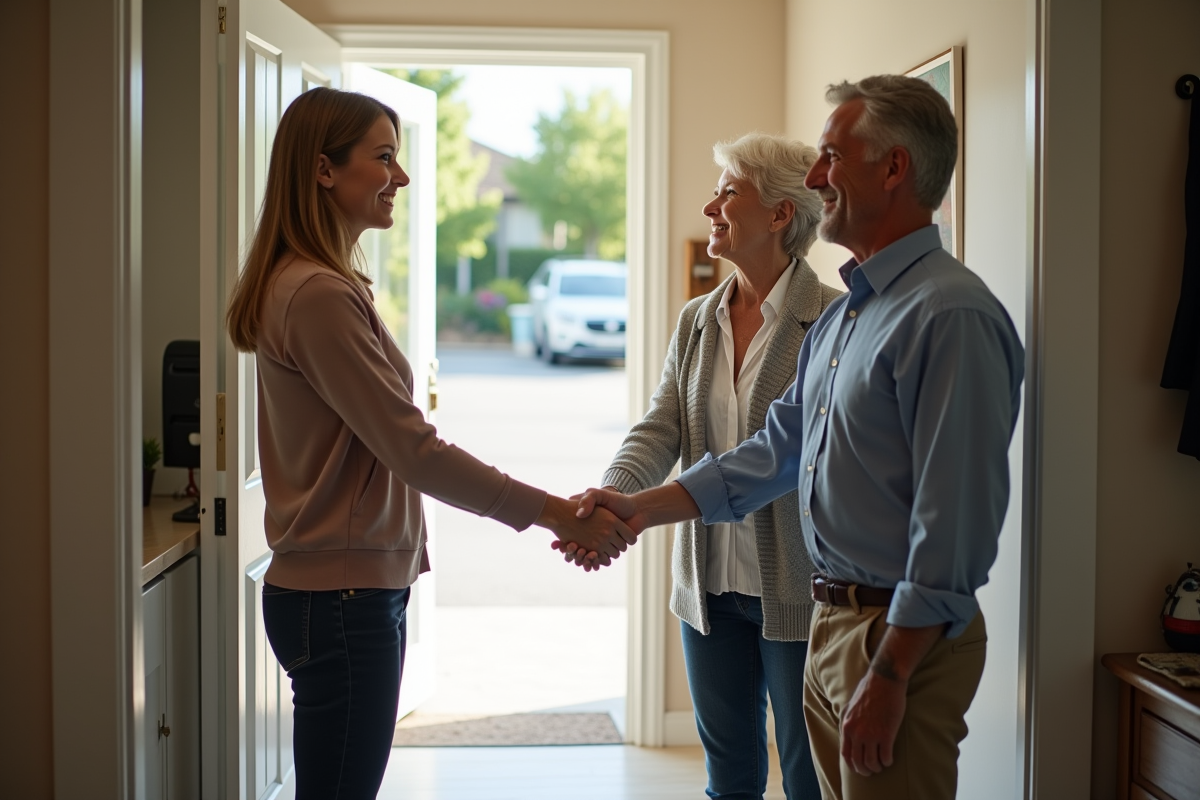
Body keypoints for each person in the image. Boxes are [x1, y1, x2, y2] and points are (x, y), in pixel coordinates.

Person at [568, 75, 1025, 800]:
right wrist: (638, 507)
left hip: (889, 635)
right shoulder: (852, 319)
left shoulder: (949, 315)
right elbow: (776, 451)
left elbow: (956, 521)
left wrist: (893, 668)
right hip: (834, 624)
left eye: (831, 157)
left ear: (895, 168)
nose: (817, 180)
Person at [224, 87, 635, 800]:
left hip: (340, 591)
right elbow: (414, 451)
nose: (402, 178)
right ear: (324, 170)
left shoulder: (320, 283)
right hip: (342, 597)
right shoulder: (317, 294)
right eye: (385, 158)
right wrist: (557, 513)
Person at [589, 133, 839, 799]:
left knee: (810, 776)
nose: (710, 206)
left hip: (799, 593)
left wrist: (631, 511)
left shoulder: (835, 320)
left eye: (728, 192)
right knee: (728, 778)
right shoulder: (698, 319)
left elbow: (792, 457)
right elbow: (662, 426)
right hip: (708, 591)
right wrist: (612, 495)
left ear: (781, 214)